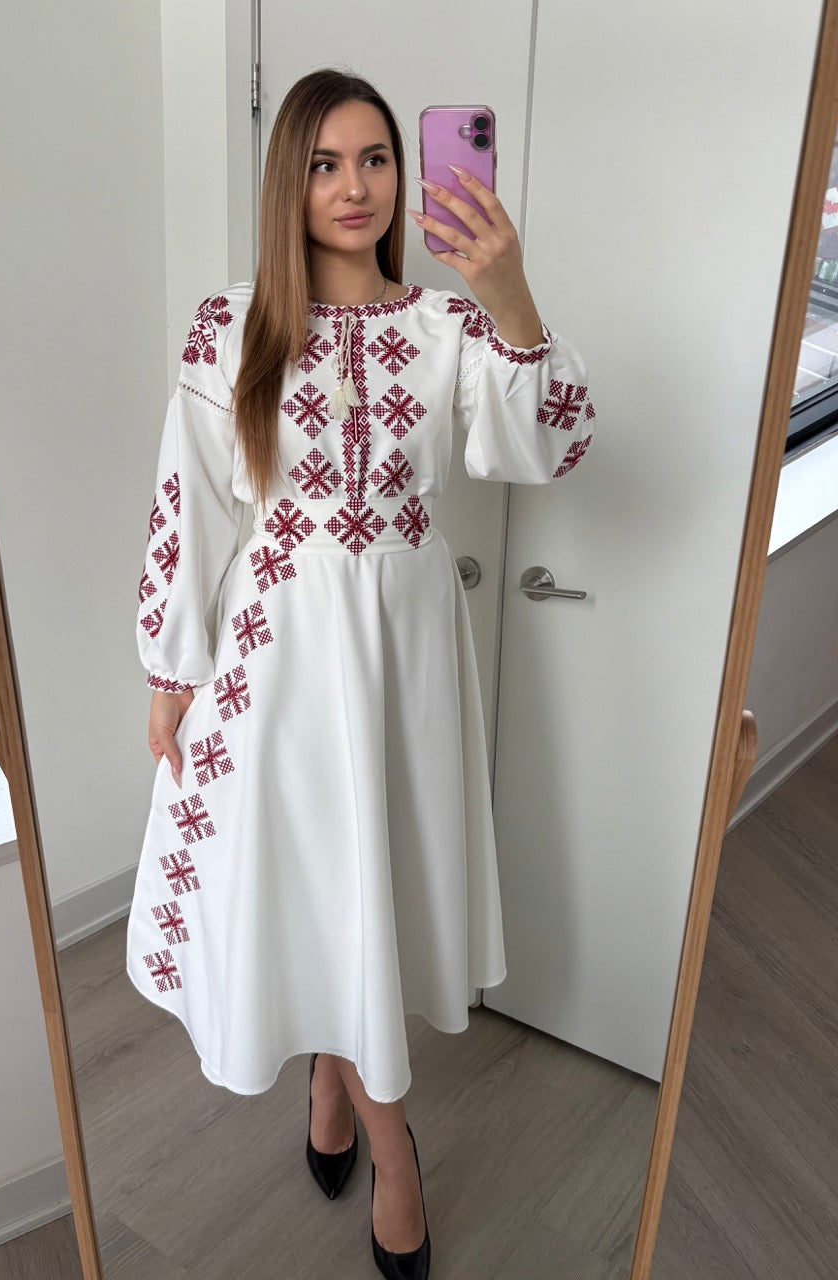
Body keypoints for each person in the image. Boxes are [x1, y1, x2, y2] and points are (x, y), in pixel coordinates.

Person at [125, 68, 595, 1279]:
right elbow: (189, 502)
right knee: (315, 881)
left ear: (405, 173)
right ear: (289, 180)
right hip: (274, 657)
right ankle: (392, 1143)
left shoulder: (447, 329)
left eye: (377, 158)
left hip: (407, 657)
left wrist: (508, 292)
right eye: (326, 162)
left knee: (375, 880)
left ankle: (346, 1100)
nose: (355, 185)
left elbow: (553, 442)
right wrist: (170, 667)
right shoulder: (229, 326)